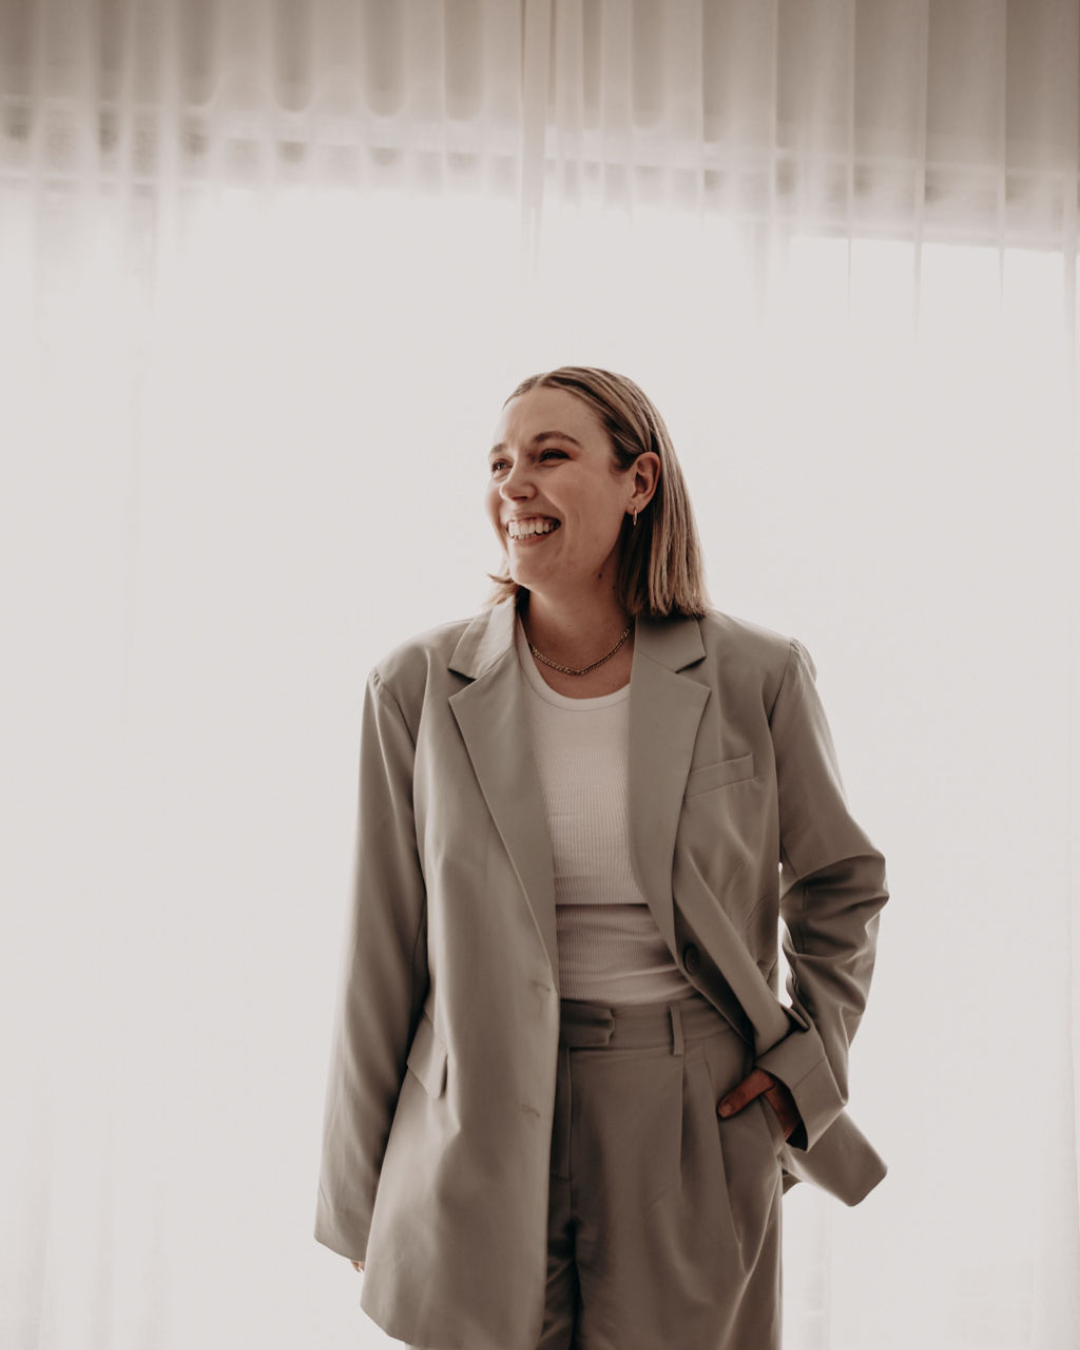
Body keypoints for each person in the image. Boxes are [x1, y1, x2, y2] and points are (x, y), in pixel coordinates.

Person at [314, 366, 889, 1350]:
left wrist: (808, 1064)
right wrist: (358, 1188)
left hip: (690, 1110)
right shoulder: (413, 688)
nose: (513, 486)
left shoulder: (758, 675)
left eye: (549, 455)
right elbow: (383, 947)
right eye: (499, 463)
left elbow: (841, 883)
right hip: (473, 1117)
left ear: (640, 484)